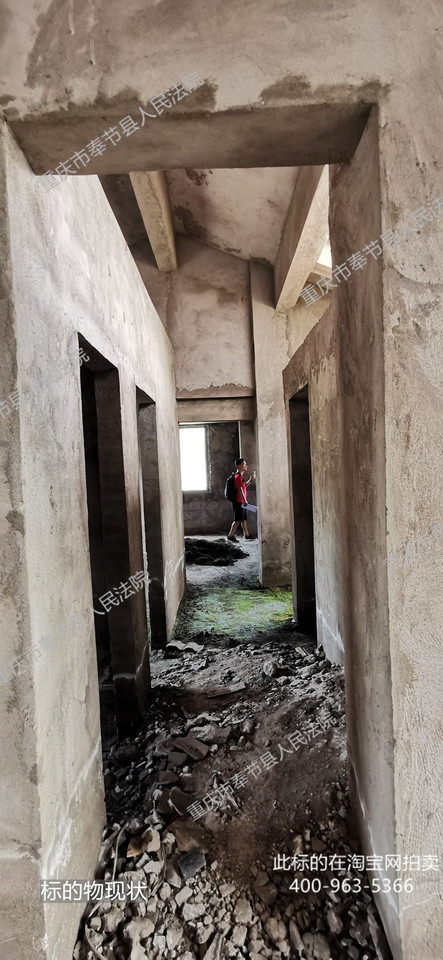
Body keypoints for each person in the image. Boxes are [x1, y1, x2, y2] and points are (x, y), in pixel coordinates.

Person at [228, 458, 256, 541]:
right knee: (237, 520)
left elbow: (244, 486)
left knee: (243, 519)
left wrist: (250, 480)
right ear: (239, 466)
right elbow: (239, 489)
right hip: (238, 501)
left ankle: (247, 535)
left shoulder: (240, 477)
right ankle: (230, 536)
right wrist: (244, 500)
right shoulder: (237, 476)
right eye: (244, 464)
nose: (246, 466)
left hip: (241, 501)